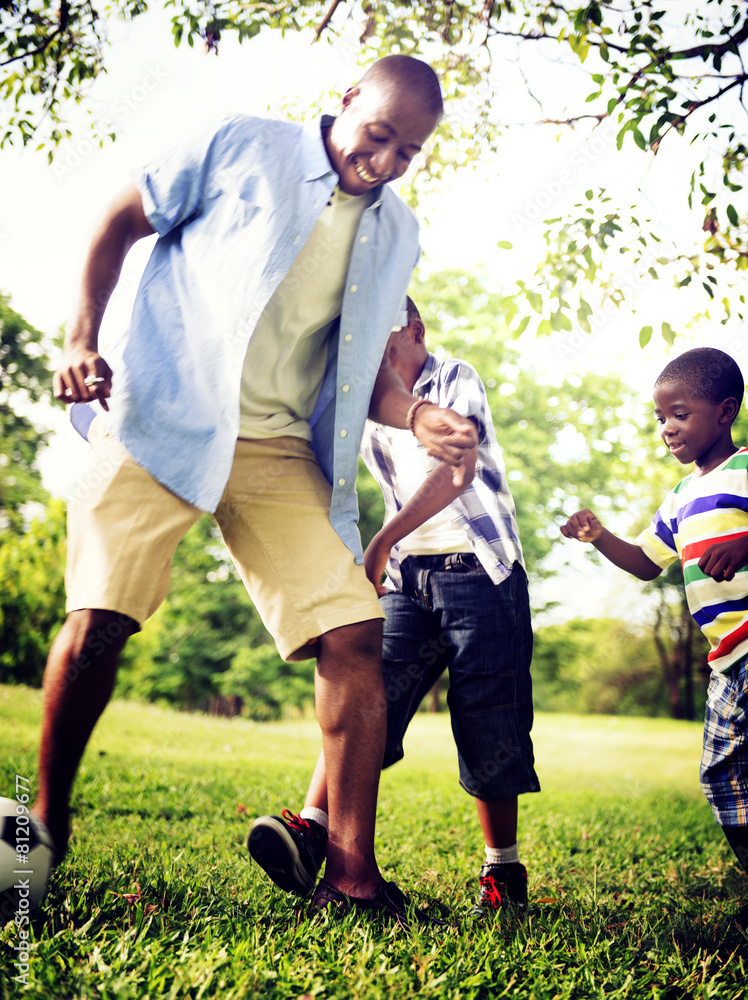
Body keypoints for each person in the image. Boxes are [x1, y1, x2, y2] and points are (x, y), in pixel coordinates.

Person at [37, 55, 479, 924]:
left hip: (278, 448)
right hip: (162, 415)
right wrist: (82, 335)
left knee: (355, 631)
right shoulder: (242, 145)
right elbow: (120, 219)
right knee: (98, 622)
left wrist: (417, 416)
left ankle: (352, 877)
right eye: (378, 136)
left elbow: (366, 369)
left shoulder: (397, 235)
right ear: (347, 99)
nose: (385, 162)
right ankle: (41, 832)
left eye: (408, 153)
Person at [248, 298, 540, 918]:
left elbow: (454, 474)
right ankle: (311, 827)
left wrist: (381, 541)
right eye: (367, 353)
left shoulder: (452, 378)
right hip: (409, 579)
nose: (379, 363)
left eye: (386, 348)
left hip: (480, 573)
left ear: (415, 332)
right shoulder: (365, 406)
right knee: (368, 687)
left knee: (489, 724)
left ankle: (502, 871)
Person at [561, 346, 748, 919]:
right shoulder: (682, 496)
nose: (666, 428)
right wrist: (600, 536)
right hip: (725, 662)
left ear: (724, 411)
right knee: (721, 776)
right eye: (660, 418)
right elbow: (646, 561)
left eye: (680, 414)